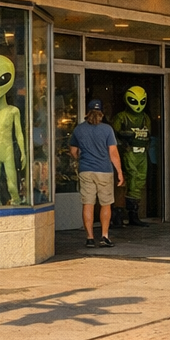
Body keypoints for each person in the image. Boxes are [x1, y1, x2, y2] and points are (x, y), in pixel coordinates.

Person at [69, 99, 124, 248]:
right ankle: (104, 236)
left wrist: (80, 158)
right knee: (105, 204)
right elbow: (113, 153)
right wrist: (119, 172)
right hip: (104, 171)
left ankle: (89, 237)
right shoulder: (107, 130)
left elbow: (73, 151)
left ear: (87, 112)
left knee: (88, 204)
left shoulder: (79, 129)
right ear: (101, 113)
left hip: (86, 170)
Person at [111, 85, 152, 226]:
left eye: (141, 101)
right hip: (128, 153)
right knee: (130, 179)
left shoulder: (145, 118)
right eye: (135, 101)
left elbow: (149, 135)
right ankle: (119, 213)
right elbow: (113, 137)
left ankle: (133, 214)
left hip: (141, 153)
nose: (139, 105)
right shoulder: (121, 117)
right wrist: (124, 147)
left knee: (139, 181)